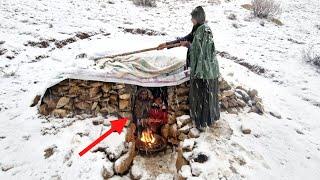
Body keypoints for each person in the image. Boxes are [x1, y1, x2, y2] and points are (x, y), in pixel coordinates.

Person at [157, 6, 220, 130]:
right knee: (200, 95)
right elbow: (187, 39)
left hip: (206, 71)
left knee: (204, 96)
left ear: (198, 18)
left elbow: (202, 51)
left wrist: (188, 45)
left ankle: (203, 123)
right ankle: (199, 120)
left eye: (193, 17)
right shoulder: (197, 29)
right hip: (200, 70)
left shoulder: (205, 31)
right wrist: (167, 45)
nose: (191, 20)